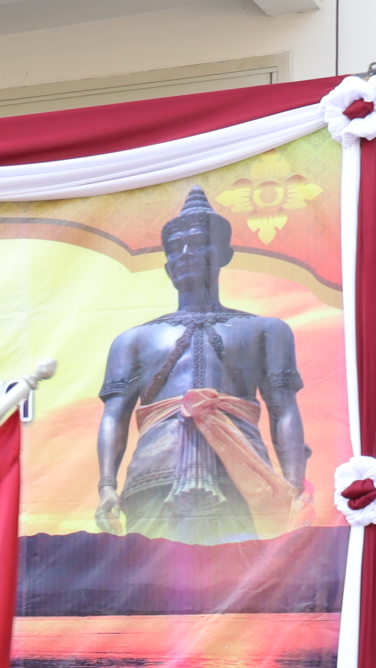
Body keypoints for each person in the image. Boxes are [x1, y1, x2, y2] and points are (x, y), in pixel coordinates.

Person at [94, 185, 311, 544]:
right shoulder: (133, 340)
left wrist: (293, 483)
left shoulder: (267, 330)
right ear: (167, 265)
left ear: (224, 254)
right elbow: (114, 417)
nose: (185, 254)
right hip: (153, 474)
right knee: (151, 568)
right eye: (175, 248)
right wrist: (107, 487)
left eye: (197, 243)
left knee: (240, 565)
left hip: (242, 472)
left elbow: (283, 408)